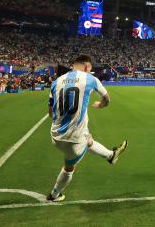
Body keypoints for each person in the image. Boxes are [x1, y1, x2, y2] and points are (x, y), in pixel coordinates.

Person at [46, 54, 128, 202]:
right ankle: (54, 195)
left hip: (55, 135)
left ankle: (111, 155)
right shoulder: (90, 79)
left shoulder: (56, 82)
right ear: (86, 66)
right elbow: (107, 99)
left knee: (87, 138)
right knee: (69, 166)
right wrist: (101, 105)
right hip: (72, 140)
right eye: (90, 68)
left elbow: (50, 112)